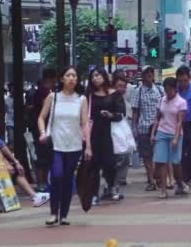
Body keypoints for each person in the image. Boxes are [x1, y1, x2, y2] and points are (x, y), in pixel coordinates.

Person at [38, 66, 91, 225]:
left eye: (74, 75)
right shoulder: (52, 97)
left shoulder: (81, 99)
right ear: (62, 79)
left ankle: (64, 215)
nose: (71, 78)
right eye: (68, 75)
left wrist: (88, 146)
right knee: (57, 175)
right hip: (56, 145)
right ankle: (54, 213)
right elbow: (41, 117)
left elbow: (85, 124)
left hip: (74, 146)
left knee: (68, 179)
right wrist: (42, 133)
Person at [0, 102, 50, 207]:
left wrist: (15, 161)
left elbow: (1, 145)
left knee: (16, 168)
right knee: (7, 169)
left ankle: (35, 197)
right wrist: (4, 162)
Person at [86, 67, 125, 203]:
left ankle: (112, 187)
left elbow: (121, 114)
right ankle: (94, 193)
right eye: (92, 76)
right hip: (93, 133)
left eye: (97, 75)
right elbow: (85, 115)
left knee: (110, 163)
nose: (95, 78)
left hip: (110, 133)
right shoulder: (89, 95)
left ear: (104, 76)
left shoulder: (114, 94)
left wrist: (111, 115)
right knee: (93, 165)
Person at [150, 77, 188, 198]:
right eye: (166, 90)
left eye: (170, 90)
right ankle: (163, 189)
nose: (168, 93)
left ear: (175, 89)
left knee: (175, 162)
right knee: (161, 161)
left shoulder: (181, 102)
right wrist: (153, 133)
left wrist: (176, 138)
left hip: (175, 133)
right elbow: (157, 118)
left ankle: (180, 182)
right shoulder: (162, 100)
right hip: (162, 132)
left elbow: (179, 122)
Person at [132, 66, 165, 191]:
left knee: (160, 154)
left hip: (160, 127)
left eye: (151, 72)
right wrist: (134, 128)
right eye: (147, 73)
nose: (150, 74)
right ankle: (151, 180)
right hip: (144, 127)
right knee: (147, 156)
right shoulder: (138, 91)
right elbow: (135, 112)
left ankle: (157, 177)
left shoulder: (160, 90)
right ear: (143, 75)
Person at [30, 68, 57, 192]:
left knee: (45, 156)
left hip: (43, 128)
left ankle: (44, 182)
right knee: (42, 156)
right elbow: (45, 109)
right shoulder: (44, 92)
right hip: (42, 129)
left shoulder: (44, 91)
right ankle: (41, 182)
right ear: (52, 78)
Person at [112, 73, 131, 192]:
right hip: (112, 130)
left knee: (124, 154)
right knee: (118, 156)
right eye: (119, 86)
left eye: (124, 86)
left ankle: (119, 179)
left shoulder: (122, 99)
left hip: (122, 129)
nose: (121, 89)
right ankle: (114, 181)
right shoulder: (111, 98)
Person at [5, 83, 15, 149]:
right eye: (12, 89)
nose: (13, 90)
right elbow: (4, 110)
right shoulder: (7, 100)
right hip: (9, 122)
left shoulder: (21, 99)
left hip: (18, 122)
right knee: (10, 138)